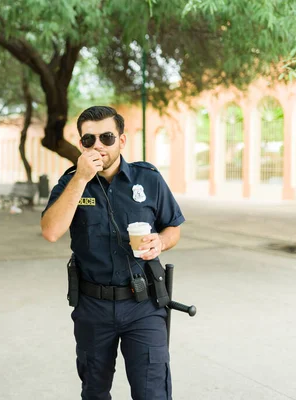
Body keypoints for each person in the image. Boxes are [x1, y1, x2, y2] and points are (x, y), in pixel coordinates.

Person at [41, 106, 185, 400]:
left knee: (152, 392)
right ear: (81, 144)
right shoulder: (71, 183)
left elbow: (173, 227)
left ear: (121, 140)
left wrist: (160, 242)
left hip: (143, 305)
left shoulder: (148, 178)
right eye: (88, 140)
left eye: (106, 137)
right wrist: (80, 179)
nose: (98, 146)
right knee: (94, 391)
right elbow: (51, 231)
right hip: (93, 305)